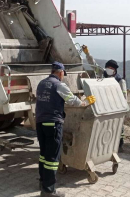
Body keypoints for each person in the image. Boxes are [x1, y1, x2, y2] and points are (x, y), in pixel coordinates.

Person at [36, 61, 96, 197]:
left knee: (44, 154)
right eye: (63, 74)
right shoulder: (59, 85)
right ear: (61, 72)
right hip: (53, 124)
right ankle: (48, 191)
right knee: (52, 159)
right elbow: (72, 101)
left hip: (40, 123)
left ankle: (42, 182)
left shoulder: (41, 84)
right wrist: (85, 102)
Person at [104, 59, 127, 151]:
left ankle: (120, 145)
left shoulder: (120, 81)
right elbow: (92, 64)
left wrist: (122, 108)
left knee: (119, 126)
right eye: (107, 67)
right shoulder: (104, 77)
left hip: (116, 106)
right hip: (106, 106)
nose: (109, 69)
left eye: (111, 68)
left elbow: (124, 95)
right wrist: (87, 54)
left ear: (115, 69)